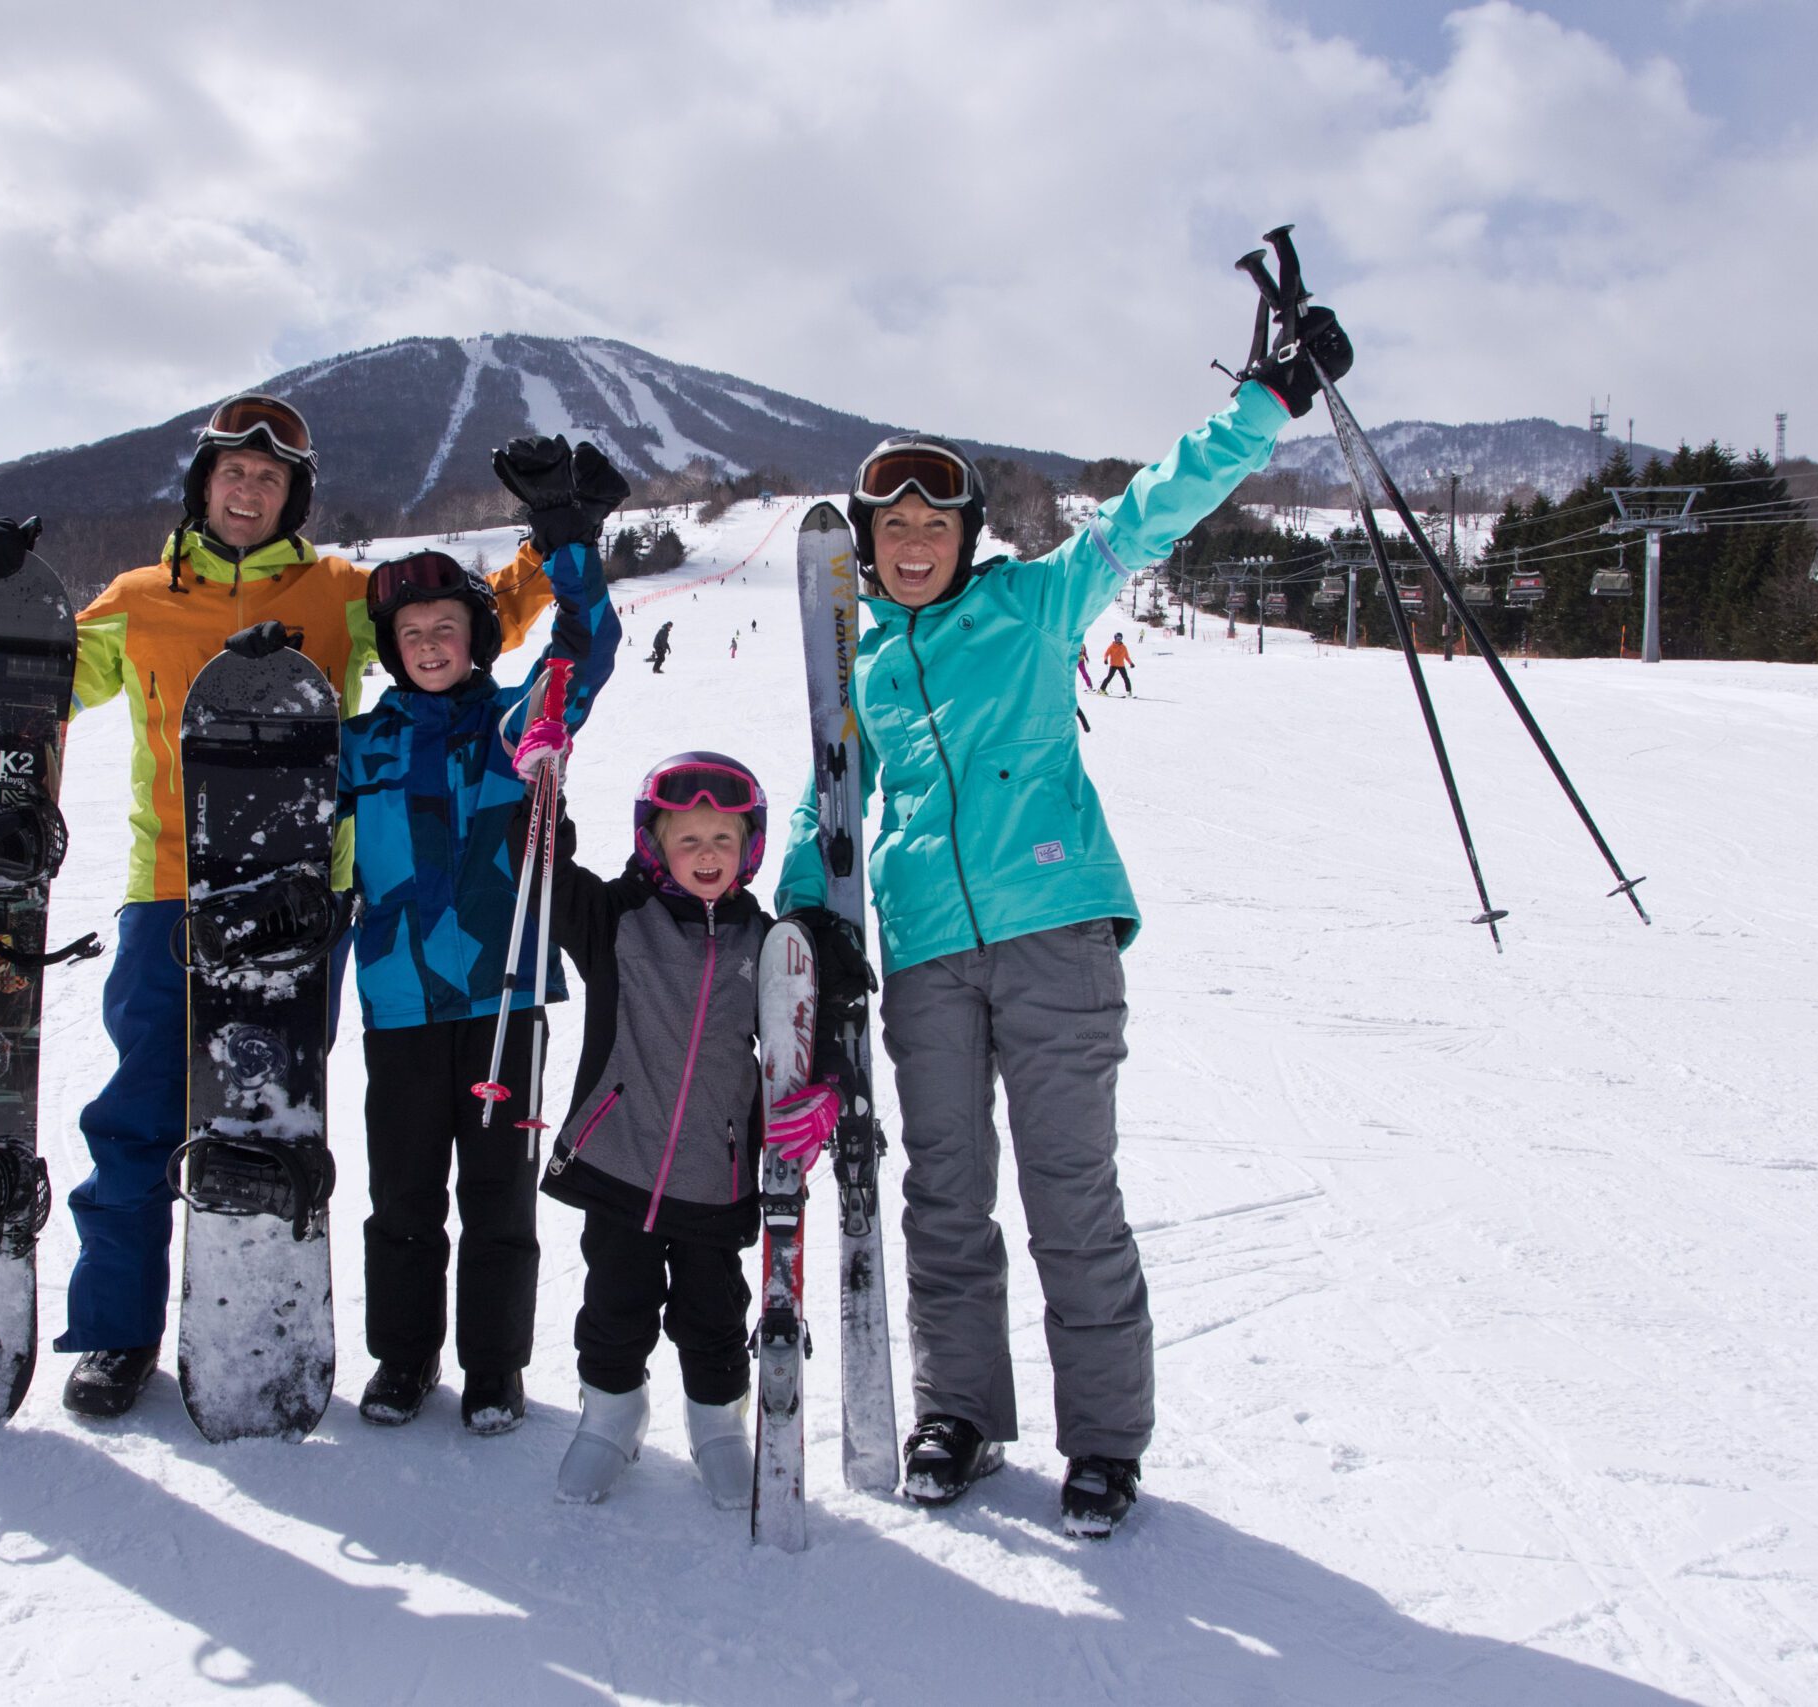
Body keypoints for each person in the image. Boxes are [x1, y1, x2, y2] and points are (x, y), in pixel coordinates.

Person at [773, 286, 1352, 1536]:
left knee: (1069, 1193)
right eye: (892, 527)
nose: (913, 541)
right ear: (863, 551)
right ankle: (960, 1414)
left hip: (1054, 934)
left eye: (935, 521)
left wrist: (1263, 407)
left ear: (967, 534)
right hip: (924, 955)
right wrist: (799, 930)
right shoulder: (860, 665)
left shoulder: (1031, 608)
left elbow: (1148, 514)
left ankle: (1104, 1441)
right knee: (943, 1194)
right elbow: (826, 808)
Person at [56, 394, 566, 1421]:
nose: (249, 490)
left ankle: (262, 1313)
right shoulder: (137, 597)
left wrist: (550, 546)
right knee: (141, 1108)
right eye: (233, 474)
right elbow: (56, 684)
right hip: (172, 887)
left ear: (296, 495)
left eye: (271, 478)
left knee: (270, 1113)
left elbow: (463, 625)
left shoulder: (339, 592)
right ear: (202, 485)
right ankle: (117, 1331)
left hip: (305, 894)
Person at [339, 436, 628, 1435]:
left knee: (498, 1194)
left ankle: (494, 1367)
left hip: (505, 998)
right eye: (411, 630)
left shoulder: (517, 729)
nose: (429, 643)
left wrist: (565, 540)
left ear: (475, 638)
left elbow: (586, 646)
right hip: (400, 1002)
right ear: (391, 647)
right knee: (404, 1191)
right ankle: (404, 1360)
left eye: (447, 627)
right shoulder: (360, 747)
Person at [540, 754, 820, 1509]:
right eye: (688, 838)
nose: (706, 855)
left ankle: (718, 1425)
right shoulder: (615, 921)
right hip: (620, 1156)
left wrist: (816, 1091)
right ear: (654, 843)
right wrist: (543, 785)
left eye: (722, 840)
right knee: (613, 1299)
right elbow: (540, 869)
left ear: (749, 849)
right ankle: (611, 1415)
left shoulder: (765, 943)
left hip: (714, 1170)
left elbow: (799, 1032)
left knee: (713, 1308)